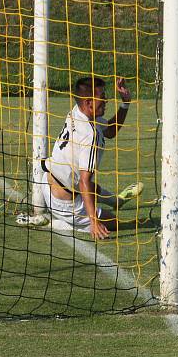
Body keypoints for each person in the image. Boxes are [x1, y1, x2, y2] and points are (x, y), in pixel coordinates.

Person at [40, 76, 143, 240]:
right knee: (112, 221)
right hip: (65, 204)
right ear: (88, 103)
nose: (106, 100)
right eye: (102, 97)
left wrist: (125, 103)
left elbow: (109, 131)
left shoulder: (77, 111)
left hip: (47, 183)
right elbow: (83, 181)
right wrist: (94, 221)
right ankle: (63, 223)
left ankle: (117, 200)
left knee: (92, 188)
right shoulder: (89, 135)